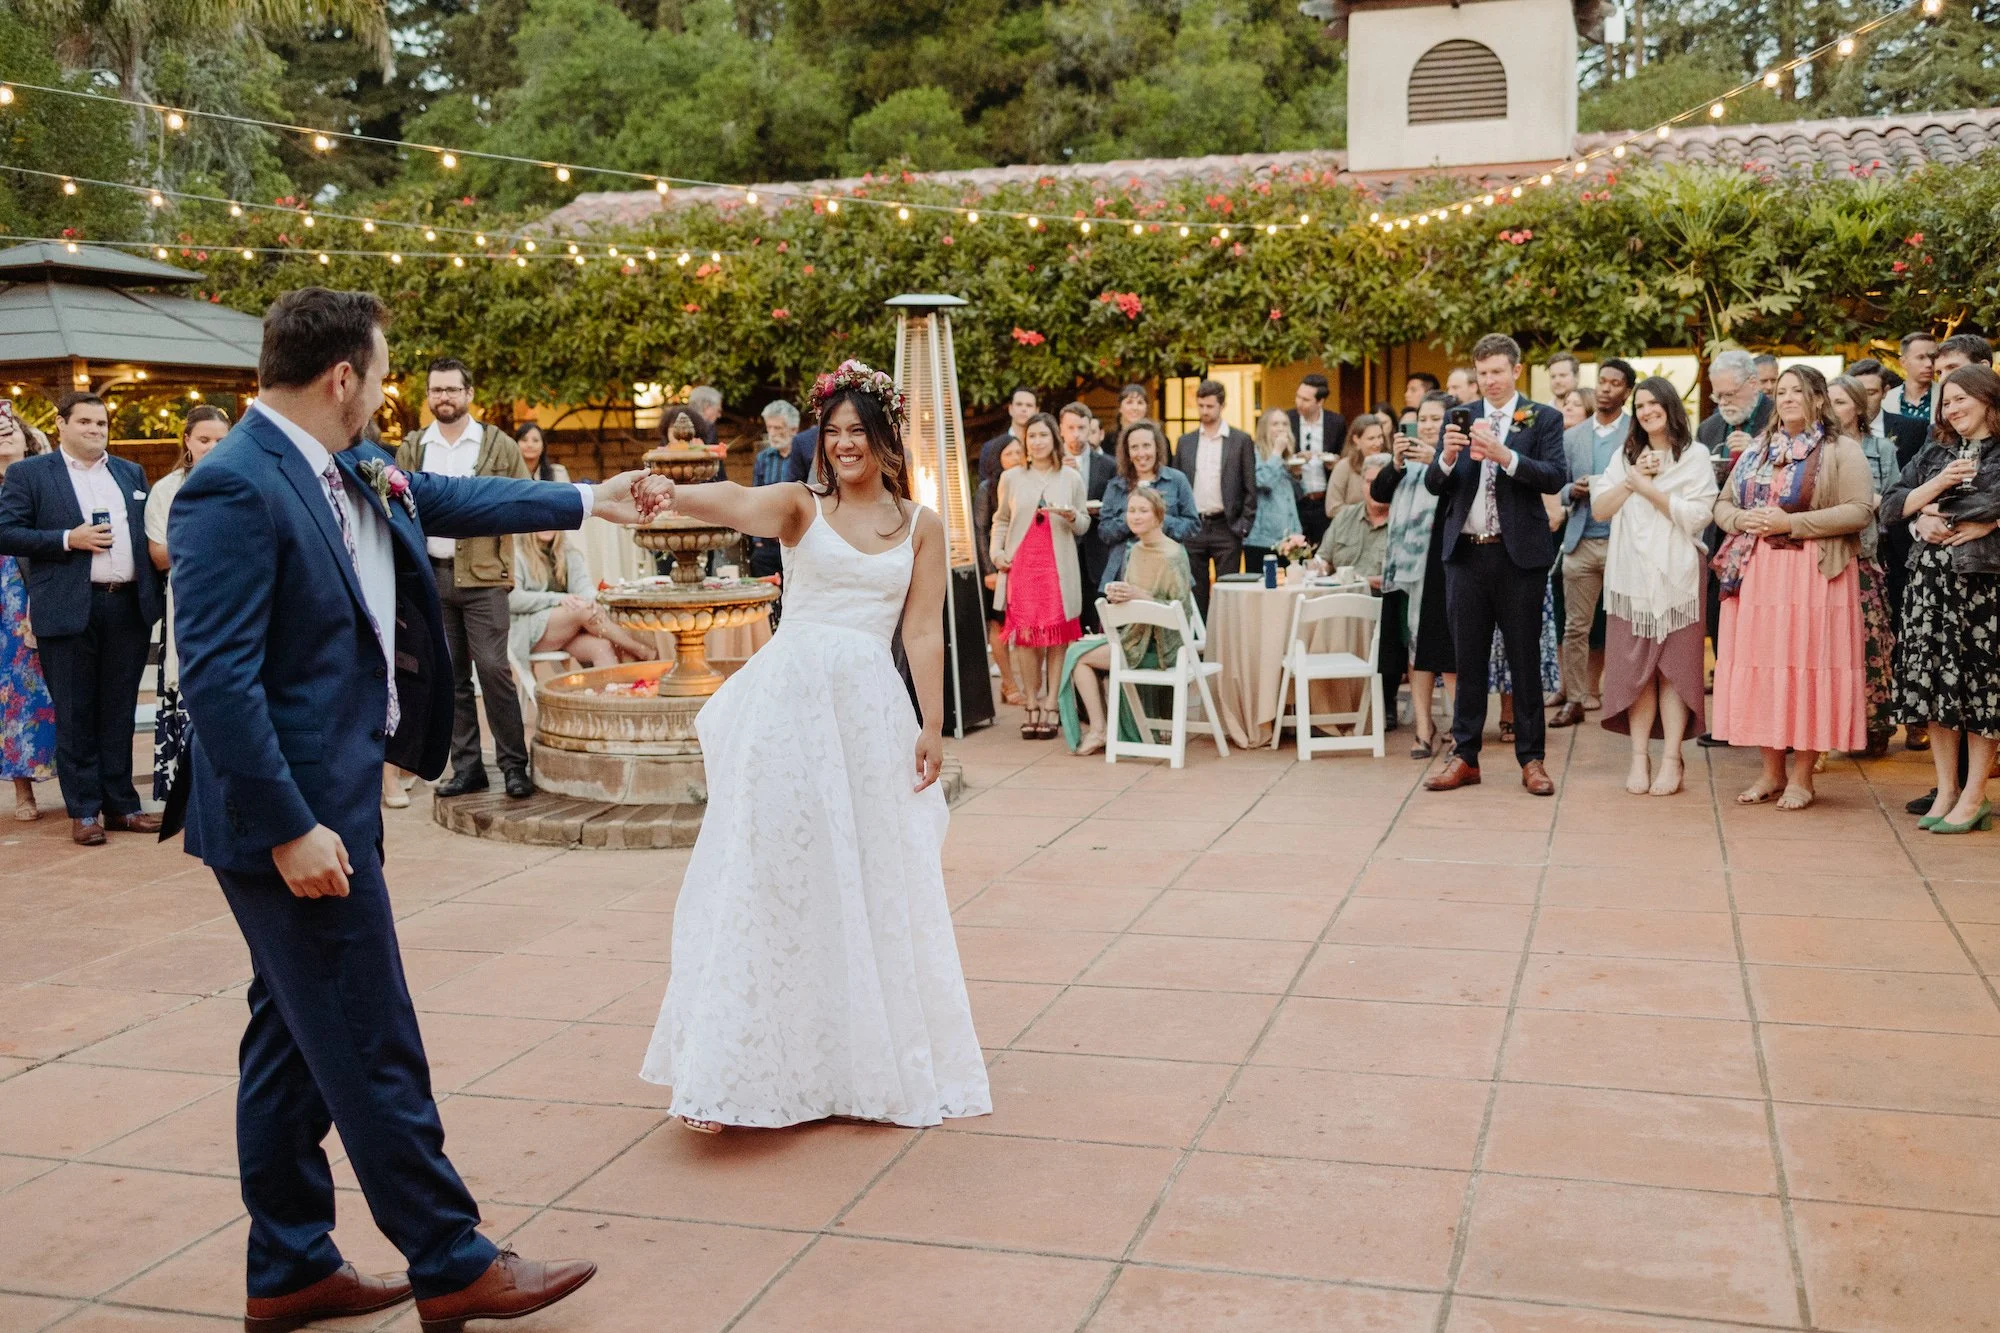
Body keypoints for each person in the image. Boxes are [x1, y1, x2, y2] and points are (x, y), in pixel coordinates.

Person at [167, 288, 660, 1330]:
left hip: (337, 795)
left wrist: (589, 499)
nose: (387, 395)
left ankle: (290, 1265)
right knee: (368, 1032)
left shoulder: (345, 464)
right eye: (382, 376)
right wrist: (290, 827)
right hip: (291, 822)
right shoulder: (232, 489)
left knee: (291, 1040)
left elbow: (442, 498)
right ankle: (449, 1257)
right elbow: (215, 682)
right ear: (342, 378)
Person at [637, 358, 989, 1131]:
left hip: (869, 716)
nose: (845, 446)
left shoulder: (922, 525)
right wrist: (676, 491)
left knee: (864, 876)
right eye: (833, 435)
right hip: (789, 709)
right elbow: (738, 502)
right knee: (769, 871)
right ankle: (726, 1076)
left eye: (859, 433)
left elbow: (923, 629)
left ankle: (851, 1063)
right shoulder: (802, 505)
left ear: (885, 438)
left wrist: (932, 722)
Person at [0, 392, 163, 845]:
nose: (96, 429)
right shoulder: (29, 474)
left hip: (127, 606)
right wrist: (69, 538)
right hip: (68, 606)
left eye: (102, 422)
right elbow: (6, 531)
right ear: (61, 425)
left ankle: (122, 806)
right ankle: (85, 811)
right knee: (75, 713)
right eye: (86, 422)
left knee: (118, 712)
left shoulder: (130, 472)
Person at [1711, 365, 1874, 810]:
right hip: (1759, 576)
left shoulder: (1842, 450)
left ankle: (1803, 776)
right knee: (1765, 670)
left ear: (1818, 398)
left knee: (1808, 669)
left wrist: (1792, 523)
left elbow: (1859, 510)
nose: (1785, 399)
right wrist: (1741, 519)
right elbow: (1722, 504)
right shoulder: (1758, 450)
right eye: (1780, 391)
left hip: (1815, 576)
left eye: (1796, 391)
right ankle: (1770, 773)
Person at [1423, 333, 1569, 797]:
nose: (1489, 381)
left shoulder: (1542, 418)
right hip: (1465, 553)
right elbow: (1433, 485)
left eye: (1497, 372)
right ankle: (1465, 756)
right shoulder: (1459, 418)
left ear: (1516, 372)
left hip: (1518, 555)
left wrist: (1507, 456)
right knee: (1467, 660)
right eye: (1482, 374)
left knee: (1524, 659)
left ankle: (1532, 760)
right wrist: (1446, 456)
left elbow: (1554, 475)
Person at [396, 358, 535, 800]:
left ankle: (514, 766)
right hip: (431, 576)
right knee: (449, 678)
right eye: (436, 391)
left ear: (469, 394)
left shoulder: (498, 445)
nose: (444, 398)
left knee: (494, 670)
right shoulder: (415, 447)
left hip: (485, 577)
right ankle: (468, 768)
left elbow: (526, 500)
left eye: (452, 390)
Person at [1588, 377, 1718, 796]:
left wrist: (1650, 490)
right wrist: (1631, 480)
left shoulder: (1695, 456)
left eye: (1653, 403)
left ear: (1669, 405)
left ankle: (1671, 759)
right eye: (1639, 405)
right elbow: (1600, 510)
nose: (1646, 411)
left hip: (1679, 578)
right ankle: (1639, 758)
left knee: (1673, 672)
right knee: (1637, 673)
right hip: (1631, 579)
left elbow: (1699, 516)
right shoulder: (1625, 456)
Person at [1885, 365, 2000, 833]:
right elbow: (1890, 504)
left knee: (1980, 690)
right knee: (1934, 688)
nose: (1952, 410)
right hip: (1930, 586)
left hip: (1983, 587)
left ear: (1988, 398)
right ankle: (1947, 789)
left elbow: (1991, 503)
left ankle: (1975, 796)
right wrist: (1925, 504)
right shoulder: (1937, 449)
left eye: (1960, 399)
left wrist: (1939, 508)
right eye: (1946, 403)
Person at [1061, 486, 1194, 755]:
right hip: (1133, 638)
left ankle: (1100, 730)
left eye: (1143, 511)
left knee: (1079, 656)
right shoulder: (1134, 551)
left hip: (1162, 648)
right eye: (1131, 510)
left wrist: (1139, 595)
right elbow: (1135, 600)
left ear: (1158, 515)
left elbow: (1181, 612)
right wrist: (1120, 596)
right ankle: (1100, 728)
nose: (1135, 516)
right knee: (1076, 651)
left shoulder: (1174, 555)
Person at [144, 404, 231, 805]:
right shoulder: (168, 488)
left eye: (221, 440)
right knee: (190, 683)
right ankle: (190, 795)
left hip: (238, 596)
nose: (213, 447)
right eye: (204, 439)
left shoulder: (245, 481)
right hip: (188, 597)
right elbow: (160, 553)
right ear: (187, 441)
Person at [993, 412, 1090, 739]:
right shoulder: (1012, 478)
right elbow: (1001, 520)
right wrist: (997, 554)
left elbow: (1085, 524)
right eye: (1031, 436)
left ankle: (1052, 704)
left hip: (1058, 566)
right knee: (1025, 637)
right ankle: (1031, 702)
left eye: (1043, 436)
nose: (1037, 441)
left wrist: (1073, 515)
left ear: (1054, 439)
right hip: (1022, 566)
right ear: (1025, 441)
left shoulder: (1071, 478)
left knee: (1058, 636)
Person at [1553, 358, 1635, 728]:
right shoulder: (1571, 436)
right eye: (1601, 381)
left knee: (1629, 626)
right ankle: (1574, 698)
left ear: (1627, 391)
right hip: (1581, 540)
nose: (1605, 388)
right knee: (1575, 627)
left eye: (1615, 383)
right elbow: (1557, 484)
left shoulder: (1637, 433)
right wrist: (1574, 489)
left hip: (1626, 543)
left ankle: (1627, 697)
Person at [1376, 391, 1455, 758]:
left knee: (1451, 652)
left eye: (1435, 419)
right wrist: (1396, 462)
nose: (1426, 425)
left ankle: (1458, 726)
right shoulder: (1404, 463)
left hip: (1444, 566)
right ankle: (1425, 727)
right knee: (1415, 648)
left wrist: (1437, 460)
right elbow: (1378, 494)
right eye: (1422, 418)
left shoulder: (1459, 459)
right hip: (1406, 569)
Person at [1828, 373, 1902, 757]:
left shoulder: (1880, 449)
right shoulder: (1815, 448)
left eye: (1840, 401)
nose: (1832, 408)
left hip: (1866, 555)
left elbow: (1895, 504)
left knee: (1870, 644)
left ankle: (1872, 728)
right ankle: (1825, 732)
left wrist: (1866, 501)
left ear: (1857, 406)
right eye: (1827, 401)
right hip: (1823, 555)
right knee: (1828, 648)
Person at [0, 405, 55, 819]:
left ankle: (75, 781)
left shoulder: (44, 480)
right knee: (8, 694)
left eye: (10, 429)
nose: (5, 435)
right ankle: (23, 792)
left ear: (28, 437)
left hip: (31, 590)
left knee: (41, 688)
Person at [511, 530, 655, 669]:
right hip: (528, 632)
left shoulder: (566, 550)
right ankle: (638, 649)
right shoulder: (517, 554)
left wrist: (593, 602)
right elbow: (513, 599)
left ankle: (615, 691)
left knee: (602, 647)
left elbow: (583, 587)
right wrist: (557, 599)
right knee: (582, 610)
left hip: (567, 629)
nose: (546, 526)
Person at [1174, 380, 1257, 616]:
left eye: (1209, 406)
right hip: (1194, 526)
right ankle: (1199, 649)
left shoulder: (1240, 440)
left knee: (1227, 592)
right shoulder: (1185, 441)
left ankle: (1226, 646)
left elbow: (1250, 486)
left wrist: (1243, 525)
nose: (1204, 411)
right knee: (1196, 592)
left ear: (1222, 405)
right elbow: (1178, 485)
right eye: (1200, 406)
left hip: (1226, 526)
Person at [974, 436, 1028, 707]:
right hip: (997, 567)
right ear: (998, 458)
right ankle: (1008, 683)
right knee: (999, 624)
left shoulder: (1026, 483)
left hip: (1024, 566)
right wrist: (989, 569)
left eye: (1020, 451)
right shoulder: (987, 488)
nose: (1017, 456)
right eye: (1010, 453)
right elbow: (981, 530)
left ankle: (1023, 683)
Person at [1099, 419, 1198, 549]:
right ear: (1127, 453)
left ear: (1157, 448)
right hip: (1125, 564)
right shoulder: (1115, 485)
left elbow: (1193, 527)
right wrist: (1130, 518)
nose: (1141, 454)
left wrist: (1158, 519)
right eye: (1134, 447)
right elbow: (1105, 533)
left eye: (1146, 446)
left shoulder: (1177, 480)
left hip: (1166, 561)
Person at [1060, 402, 1116, 630]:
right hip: (1063, 542)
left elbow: (1113, 504)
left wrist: (1100, 510)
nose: (1076, 434)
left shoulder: (1108, 465)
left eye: (1082, 428)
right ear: (1061, 429)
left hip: (1095, 545)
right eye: (1071, 428)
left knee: (1093, 609)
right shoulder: (1050, 464)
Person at [1287, 373, 1344, 543]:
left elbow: (1345, 457)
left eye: (1305, 399)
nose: (1299, 402)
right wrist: (1294, 461)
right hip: (1297, 501)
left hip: (1324, 501)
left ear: (1320, 402)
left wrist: (1334, 463)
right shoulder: (1288, 420)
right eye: (1298, 397)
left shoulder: (1336, 422)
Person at [1317, 453, 1392, 584]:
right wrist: (1320, 568)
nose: (1375, 488)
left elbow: (1401, 580)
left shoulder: (1403, 522)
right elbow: (1323, 559)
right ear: (1362, 484)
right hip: (1339, 597)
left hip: (1382, 600)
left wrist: (1360, 581)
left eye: (1381, 482)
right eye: (1370, 482)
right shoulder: (1344, 517)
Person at [1245, 408, 1303, 572]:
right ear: (1264, 428)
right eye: (1275, 424)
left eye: (1285, 424)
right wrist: (1276, 452)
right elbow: (1263, 481)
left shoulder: (1288, 457)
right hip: (1263, 540)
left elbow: (1297, 497)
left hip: (1291, 539)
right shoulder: (1254, 453)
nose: (1281, 428)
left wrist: (1297, 475)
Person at [749, 399, 801, 578]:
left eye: (778, 428)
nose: (772, 433)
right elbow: (755, 496)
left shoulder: (803, 456)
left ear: (793, 429)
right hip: (768, 539)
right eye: (769, 427)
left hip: (797, 538)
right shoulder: (763, 458)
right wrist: (757, 541)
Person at [1848, 358, 1930, 467]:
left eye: (1871, 393)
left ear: (1885, 392)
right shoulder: (1835, 431)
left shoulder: (1914, 429)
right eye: (1857, 393)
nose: (1863, 400)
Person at [1325, 412, 1391, 513]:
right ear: (1356, 440)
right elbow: (1332, 508)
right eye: (1371, 438)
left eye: (1380, 437)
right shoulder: (1344, 467)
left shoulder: (1390, 464)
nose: (1378, 443)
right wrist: (1366, 512)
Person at [979, 386, 1039, 483]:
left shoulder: (1043, 447)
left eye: (1029, 405)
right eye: (1019, 404)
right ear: (1010, 409)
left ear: (1037, 411)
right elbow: (985, 489)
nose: (1023, 409)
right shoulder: (990, 448)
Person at [1883, 332, 1939, 421]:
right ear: (1903, 362)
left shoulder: (1945, 397)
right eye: (1921, 357)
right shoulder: (1886, 401)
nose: (1929, 364)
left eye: (1933, 357)